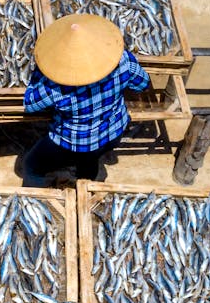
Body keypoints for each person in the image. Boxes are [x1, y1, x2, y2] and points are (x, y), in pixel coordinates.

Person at [21, 13, 151, 187]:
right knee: (90, 161)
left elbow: (30, 104)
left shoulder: (56, 87)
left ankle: (35, 200)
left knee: (31, 166)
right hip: (113, 133)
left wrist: (41, 71)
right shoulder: (123, 61)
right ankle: (86, 182)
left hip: (72, 143)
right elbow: (143, 84)